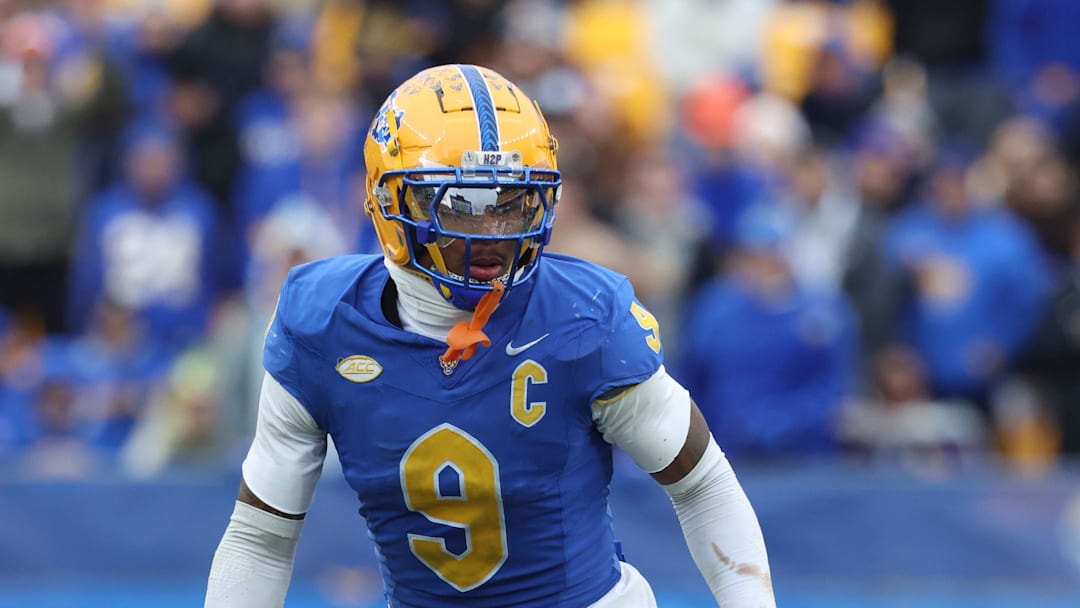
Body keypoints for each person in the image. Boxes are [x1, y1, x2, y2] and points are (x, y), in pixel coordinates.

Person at [205, 64, 774, 607]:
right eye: (463, 204)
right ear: (387, 201)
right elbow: (260, 537)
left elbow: (702, 486)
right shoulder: (322, 324)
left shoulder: (580, 317)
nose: (494, 231)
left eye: (511, 200)